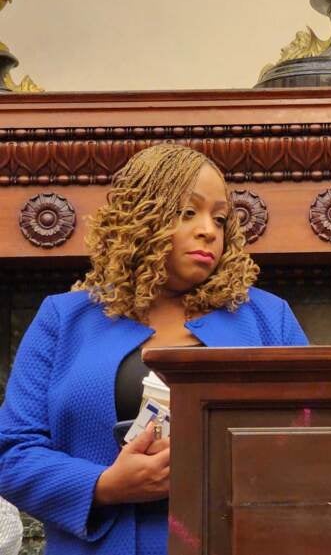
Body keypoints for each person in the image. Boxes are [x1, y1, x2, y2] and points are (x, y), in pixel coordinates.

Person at [0, 144, 308, 555]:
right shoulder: (64, 318)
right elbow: (11, 453)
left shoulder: (268, 318)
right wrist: (104, 486)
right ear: (141, 215)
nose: (208, 230)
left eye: (219, 218)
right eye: (187, 213)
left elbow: (313, 433)